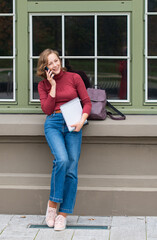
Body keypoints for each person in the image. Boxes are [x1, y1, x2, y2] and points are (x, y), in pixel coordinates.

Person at [37, 49, 91, 231]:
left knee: (72, 168)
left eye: (56, 60)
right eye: (50, 63)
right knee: (61, 160)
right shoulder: (43, 85)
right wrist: (52, 85)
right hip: (53, 122)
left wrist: (81, 122)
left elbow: (87, 102)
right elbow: (46, 109)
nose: (55, 65)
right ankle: (53, 205)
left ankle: (63, 214)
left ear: (60, 61)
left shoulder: (74, 78)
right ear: (45, 67)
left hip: (73, 123)